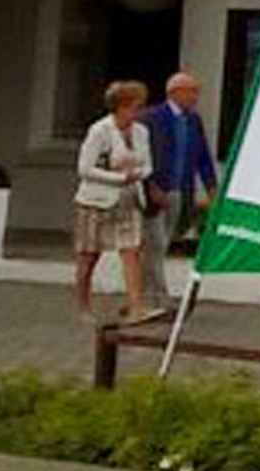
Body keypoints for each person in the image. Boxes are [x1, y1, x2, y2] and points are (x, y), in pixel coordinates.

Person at [71, 81, 159, 323]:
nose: (138, 112)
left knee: (131, 250)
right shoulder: (100, 131)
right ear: (120, 107)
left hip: (129, 199)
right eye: (134, 106)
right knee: (89, 256)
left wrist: (138, 174)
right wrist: (119, 177)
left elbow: (148, 164)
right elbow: (85, 169)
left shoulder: (142, 132)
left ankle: (135, 307)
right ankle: (83, 305)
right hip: (96, 201)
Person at [143, 72, 221, 272]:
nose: (196, 96)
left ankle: (150, 286)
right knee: (154, 243)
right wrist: (149, 184)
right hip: (157, 190)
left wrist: (211, 186)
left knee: (167, 240)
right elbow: (143, 154)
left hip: (181, 190)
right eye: (192, 91)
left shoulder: (193, 120)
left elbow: (202, 155)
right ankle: (154, 292)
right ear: (175, 92)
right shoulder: (152, 118)